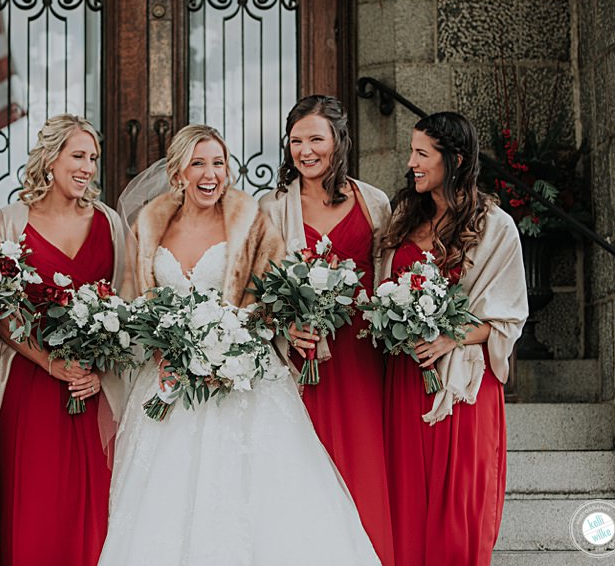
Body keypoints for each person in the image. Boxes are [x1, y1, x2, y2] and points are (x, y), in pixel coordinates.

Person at [99, 124, 381, 566]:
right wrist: (163, 348)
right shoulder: (149, 225)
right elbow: (136, 303)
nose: (210, 174)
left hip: (239, 377)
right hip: (168, 382)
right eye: (198, 163)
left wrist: (232, 345)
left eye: (218, 162)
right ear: (178, 171)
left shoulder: (251, 223)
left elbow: (270, 301)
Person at [381, 112, 527, 565]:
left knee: (459, 510)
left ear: (455, 160)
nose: (412, 164)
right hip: (406, 380)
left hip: (463, 389)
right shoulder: (402, 219)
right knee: (406, 507)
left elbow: (507, 320)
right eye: (411, 153)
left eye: (422, 154)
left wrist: (449, 337)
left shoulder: (496, 228)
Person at [259, 94, 395, 565]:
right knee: (304, 467)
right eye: (296, 141)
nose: (305, 150)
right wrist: (286, 327)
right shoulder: (273, 207)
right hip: (303, 356)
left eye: (315, 138)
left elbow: (389, 274)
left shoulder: (373, 201)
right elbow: (256, 288)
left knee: (363, 461)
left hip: (361, 354)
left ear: (339, 141)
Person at [0, 114, 125, 566]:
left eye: (93, 158)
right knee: (35, 506)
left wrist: (100, 371)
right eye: (78, 156)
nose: (87, 167)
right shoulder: (8, 221)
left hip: (92, 389)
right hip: (31, 383)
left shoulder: (109, 223)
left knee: (95, 506)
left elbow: (128, 304)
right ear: (51, 159)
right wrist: (50, 363)